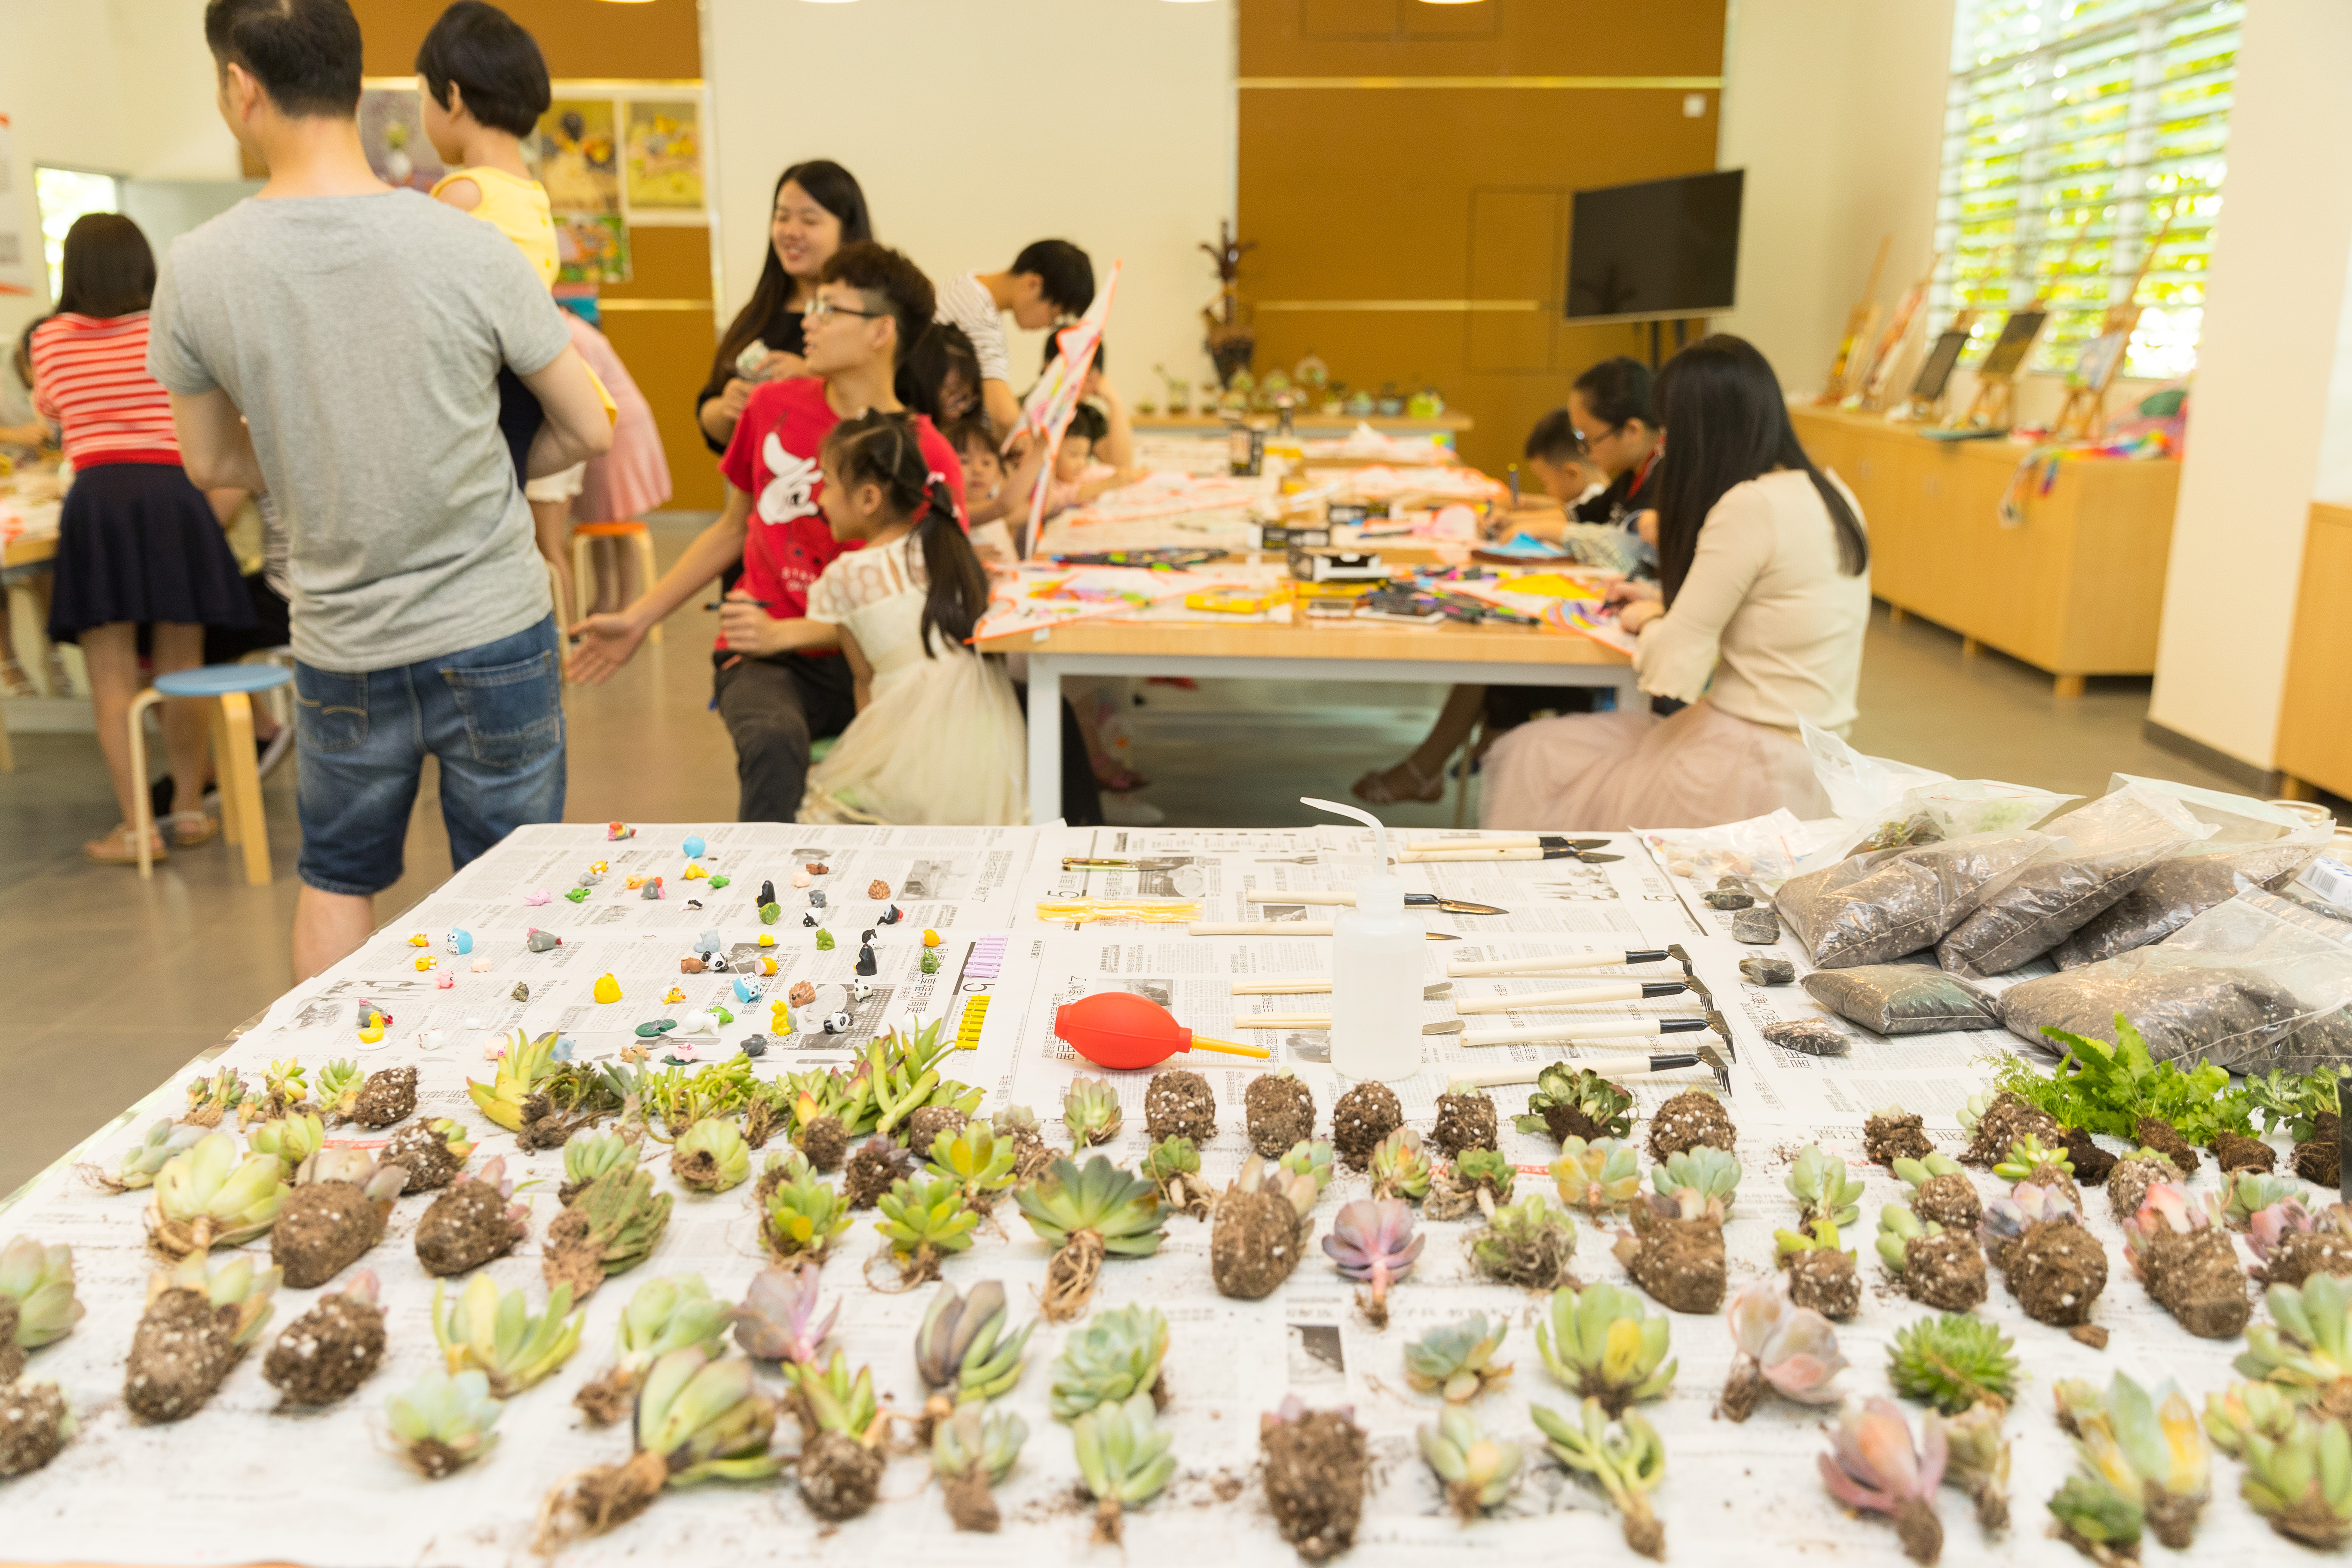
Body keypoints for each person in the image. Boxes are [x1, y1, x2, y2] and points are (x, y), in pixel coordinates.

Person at [155, 0, 612, 978]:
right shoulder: (470, 243)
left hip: (341, 642)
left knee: (336, 875)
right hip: (494, 625)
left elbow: (212, 463)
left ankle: (326, 1073)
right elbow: (587, 424)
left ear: (240, 84)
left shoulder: (196, 269)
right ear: (359, 80)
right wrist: (464, 463)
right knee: (517, 887)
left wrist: (324, 457)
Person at [567, 242, 963, 823]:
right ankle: (766, 881)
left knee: (908, 769)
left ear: (882, 332)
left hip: (876, 656)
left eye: (830, 309)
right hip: (765, 655)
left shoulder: (926, 451)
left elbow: (928, 596)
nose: (810, 321)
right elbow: (733, 529)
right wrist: (638, 618)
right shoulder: (772, 406)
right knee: (774, 741)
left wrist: (794, 631)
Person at [1479, 334, 1871, 830]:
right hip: (1810, 755)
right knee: (1551, 752)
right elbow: (1768, 608)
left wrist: (1648, 620)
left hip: (1751, 757)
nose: (1666, 446)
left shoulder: (1750, 506)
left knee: (1534, 755)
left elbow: (1673, 665)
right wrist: (1658, 601)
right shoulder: (1831, 490)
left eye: (1670, 431)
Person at [31, 213, 254, 864]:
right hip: (173, 496)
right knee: (183, 667)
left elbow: (51, 409)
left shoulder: (50, 338)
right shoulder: (167, 326)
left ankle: (138, 831)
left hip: (99, 500)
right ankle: (187, 809)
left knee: (112, 679)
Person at [1353, 356, 1666, 805]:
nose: (1584, 450)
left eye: (1588, 438)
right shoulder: (1635, 474)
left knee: (1495, 668)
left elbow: (1627, 547)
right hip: (1605, 613)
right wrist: (1521, 520)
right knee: (1490, 645)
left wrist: (1548, 528)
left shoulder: (1663, 478)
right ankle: (1433, 769)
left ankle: (1459, 772)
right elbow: (1582, 515)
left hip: (1627, 637)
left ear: (1631, 431)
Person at [798, 411, 1023, 824]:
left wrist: (873, 759)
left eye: (827, 485)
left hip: (910, 744)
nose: (821, 500)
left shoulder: (845, 577)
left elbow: (865, 682)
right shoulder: (944, 546)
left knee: (821, 813)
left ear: (868, 499)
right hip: (988, 738)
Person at [696, 160, 871, 455]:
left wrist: (813, 384)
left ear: (849, 230)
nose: (791, 231)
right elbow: (710, 419)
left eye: (809, 221)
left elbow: (894, 412)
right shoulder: (758, 313)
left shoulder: (868, 317)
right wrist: (729, 407)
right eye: (782, 217)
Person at [561, 306, 671, 614]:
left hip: (619, 430)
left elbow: (585, 391)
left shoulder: (574, 335)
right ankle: (605, 599)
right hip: (606, 427)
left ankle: (625, 604)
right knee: (598, 520)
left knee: (619, 521)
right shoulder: (573, 330)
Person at [932, 239, 1094, 438]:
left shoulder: (967, 283)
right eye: (1054, 316)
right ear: (1033, 284)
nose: (1049, 326)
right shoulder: (979, 316)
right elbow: (1004, 417)